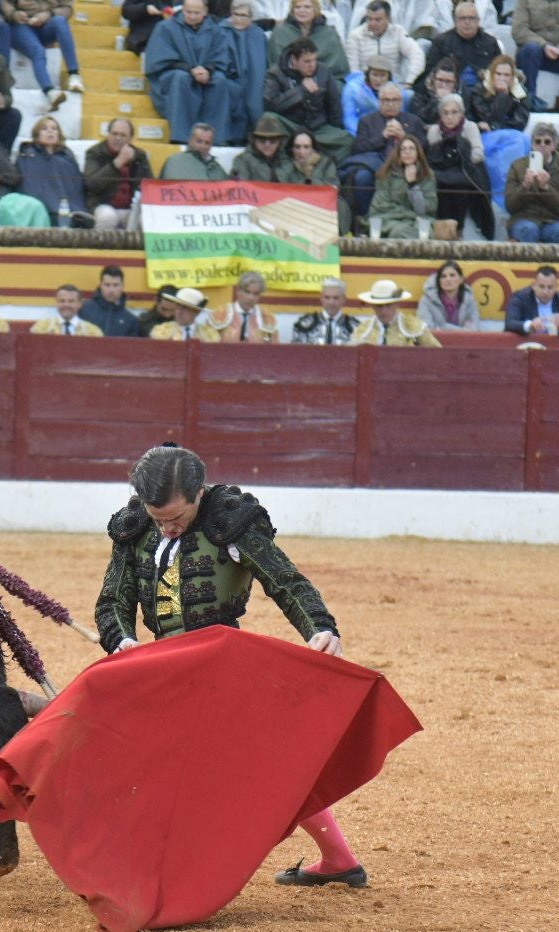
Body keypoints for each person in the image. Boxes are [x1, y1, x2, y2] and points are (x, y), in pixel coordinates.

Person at [93, 444, 367, 889]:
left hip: (223, 665)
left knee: (253, 765)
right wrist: (122, 642)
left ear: (200, 492)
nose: (166, 527)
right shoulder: (136, 526)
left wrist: (320, 626)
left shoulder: (230, 521)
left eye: (175, 517)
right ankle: (336, 858)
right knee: (254, 765)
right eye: (158, 518)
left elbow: (285, 581)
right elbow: (113, 599)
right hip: (161, 665)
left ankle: (171, 871)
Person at [145, 0, 234, 145]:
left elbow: (221, 56)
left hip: (205, 73)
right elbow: (160, 59)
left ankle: (215, 137)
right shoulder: (166, 27)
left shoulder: (215, 30)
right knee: (181, 79)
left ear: (205, 12)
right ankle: (181, 136)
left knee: (219, 80)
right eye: (188, 12)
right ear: (183, 9)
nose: (192, 16)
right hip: (176, 72)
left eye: (196, 13)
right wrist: (188, 69)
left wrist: (208, 70)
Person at [341, 79, 423, 213]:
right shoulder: (366, 121)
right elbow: (358, 149)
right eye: (385, 100)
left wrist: (404, 137)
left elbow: (424, 147)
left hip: (406, 165)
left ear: (401, 101)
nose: (390, 104)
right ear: (379, 101)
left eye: (394, 100)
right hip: (376, 165)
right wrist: (382, 136)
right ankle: (365, 217)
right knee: (362, 177)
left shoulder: (414, 120)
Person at [265, 37, 351, 160]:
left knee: (348, 141)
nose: (312, 65)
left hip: (317, 128)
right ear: (294, 60)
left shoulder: (323, 71)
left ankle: (319, 164)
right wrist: (301, 91)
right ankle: (289, 163)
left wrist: (335, 131)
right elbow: (271, 104)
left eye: (314, 60)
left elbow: (334, 105)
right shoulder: (275, 73)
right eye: (307, 61)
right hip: (290, 127)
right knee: (269, 118)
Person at [423, 90, 490, 238]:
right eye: (445, 113)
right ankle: (442, 230)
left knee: (460, 187)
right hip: (442, 171)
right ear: (440, 115)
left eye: (454, 112)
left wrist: (459, 160)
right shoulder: (434, 131)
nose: (450, 117)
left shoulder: (470, 127)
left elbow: (479, 154)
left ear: (462, 113)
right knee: (441, 186)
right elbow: (430, 156)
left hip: (464, 170)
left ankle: (458, 230)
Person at [509, 0, 559, 112]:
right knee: (532, 49)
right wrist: (544, 45)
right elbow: (519, 30)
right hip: (532, 54)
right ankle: (530, 97)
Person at [2, 0, 82, 110]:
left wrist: (49, 14)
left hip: (46, 24)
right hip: (20, 26)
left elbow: (68, 8)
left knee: (60, 22)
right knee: (38, 51)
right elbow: (4, 3)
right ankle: (49, 91)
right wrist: (14, 14)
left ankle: (74, 75)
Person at [505, 121, 559, 244]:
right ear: (532, 144)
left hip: (552, 221)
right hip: (523, 219)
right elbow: (510, 206)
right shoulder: (517, 166)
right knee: (529, 229)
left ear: (554, 145)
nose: (542, 145)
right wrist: (525, 186)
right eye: (538, 141)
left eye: (547, 142)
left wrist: (546, 188)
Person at [16, 113, 87, 223]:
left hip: (70, 211)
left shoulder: (67, 159)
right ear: (37, 134)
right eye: (44, 129)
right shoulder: (27, 157)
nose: (50, 131)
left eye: (54, 128)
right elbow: (29, 187)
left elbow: (76, 189)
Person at [84, 117, 152, 230]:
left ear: (130, 138)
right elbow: (91, 184)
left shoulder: (139, 155)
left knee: (145, 220)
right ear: (108, 135)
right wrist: (117, 163)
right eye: (114, 134)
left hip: (131, 208)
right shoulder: (95, 153)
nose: (118, 138)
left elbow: (149, 184)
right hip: (102, 205)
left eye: (123, 135)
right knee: (108, 217)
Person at [417, 1, 499, 94]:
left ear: (478, 21)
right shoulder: (441, 42)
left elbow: (499, 71)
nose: (467, 22)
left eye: (471, 18)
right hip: (449, 91)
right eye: (463, 18)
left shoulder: (490, 43)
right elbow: (430, 72)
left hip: (484, 92)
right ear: (456, 21)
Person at [366, 131, 435, 236]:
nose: (407, 152)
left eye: (411, 149)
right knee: (401, 232)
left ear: (418, 153)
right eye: (403, 149)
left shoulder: (427, 174)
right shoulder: (386, 173)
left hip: (418, 220)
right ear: (398, 154)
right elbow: (380, 206)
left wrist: (412, 184)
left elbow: (426, 209)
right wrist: (408, 213)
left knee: (425, 233)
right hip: (389, 219)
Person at [344, 1, 423, 90]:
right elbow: (353, 70)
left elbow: (417, 54)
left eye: (378, 20)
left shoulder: (398, 32)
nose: (372, 23)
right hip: (364, 88)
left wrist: (409, 81)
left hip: (394, 87)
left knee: (409, 95)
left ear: (388, 19)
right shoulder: (355, 36)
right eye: (369, 19)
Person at [221, 0, 267, 145]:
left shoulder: (258, 35)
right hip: (229, 80)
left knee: (255, 98)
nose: (239, 19)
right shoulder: (220, 31)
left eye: (244, 15)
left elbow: (263, 63)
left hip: (254, 81)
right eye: (236, 14)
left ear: (251, 17)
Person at [268, 0, 348, 80]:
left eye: (307, 7)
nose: (302, 10)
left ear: (315, 9)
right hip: (288, 86)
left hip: (324, 86)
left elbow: (339, 70)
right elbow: (275, 67)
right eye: (297, 7)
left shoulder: (329, 33)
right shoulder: (280, 33)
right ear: (292, 10)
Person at [349, 278, 439, 344]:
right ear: (372, 306)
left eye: (388, 305)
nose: (384, 311)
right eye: (378, 306)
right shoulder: (362, 330)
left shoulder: (415, 326)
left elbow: (437, 354)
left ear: (397, 303)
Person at [504, 264, 559, 335]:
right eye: (541, 287)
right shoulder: (520, 298)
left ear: (556, 287)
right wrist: (530, 325)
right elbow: (510, 323)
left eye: (550, 287)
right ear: (533, 285)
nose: (545, 292)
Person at [206, 269, 278, 341]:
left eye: (256, 294)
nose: (251, 298)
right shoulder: (220, 314)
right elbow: (208, 346)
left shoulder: (267, 317)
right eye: (247, 292)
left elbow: (275, 349)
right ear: (238, 291)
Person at [466, 54, 529, 134]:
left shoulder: (521, 93)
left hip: (510, 133)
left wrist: (496, 127)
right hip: (484, 133)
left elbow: (520, 123)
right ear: (492, 74)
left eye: (506, 75)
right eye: (498, 74)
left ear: (513, 76)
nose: (502, 78)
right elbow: (488, 118)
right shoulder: (480, 90)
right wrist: (502, 95)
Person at [416, 257, 477, 331]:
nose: (448, 279)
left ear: (461, 279)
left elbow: (473, 330)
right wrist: (460, 330)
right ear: (438, 281)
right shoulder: (426, 301)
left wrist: (443, 327)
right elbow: (426, 328)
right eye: (443, 276)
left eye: (452, 275)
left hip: (463, 342)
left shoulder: (469, 301)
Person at [291, 275, 358, 343]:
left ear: (344, 299)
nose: (331, 302)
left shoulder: (356, 328)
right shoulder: (303, 325)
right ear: (321, 298)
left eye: (336, 298)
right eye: (327, 297)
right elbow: (296, 352)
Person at [342, 55, 398, 137]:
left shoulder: (395, 87)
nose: (378, 80)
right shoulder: (352, 88)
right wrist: (363, 133)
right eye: (374, 75)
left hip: (386, 129)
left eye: (382, 75)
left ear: (389, 77)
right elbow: (349, 117)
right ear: (367, 75)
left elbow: (399, 113)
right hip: (361, 130)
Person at [80, 265, 141, 337]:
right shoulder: (83, 309)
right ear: (100, 285)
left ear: (122, 286)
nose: (111, 290)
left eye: (115, 285)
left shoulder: (130, 320)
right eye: (107, 285)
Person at [231, 113, 296, 180]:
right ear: (254, 140)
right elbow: (239, 187)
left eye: (273, 140)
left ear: (279, 142)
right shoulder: (242, 160)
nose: (267, 144)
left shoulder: (288, 161)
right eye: (262, 139)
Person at [161, 121, 229, 179]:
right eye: (199, 141)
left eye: (207, 143)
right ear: (190, 140)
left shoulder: (217, 169)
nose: (203, 146)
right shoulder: (174, 162)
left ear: (211, 146)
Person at [30, 283, 104, 335]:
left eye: (71, 301)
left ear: (80, 304)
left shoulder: (93, 332)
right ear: (57, 303)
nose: (66, 305)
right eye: (62, 301)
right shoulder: (40, 329)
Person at [150, 286, 221, 340]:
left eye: (185, 308)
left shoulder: (210, 334)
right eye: (177, 306)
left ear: (196, 312)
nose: (179, 311)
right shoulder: (161, 331)